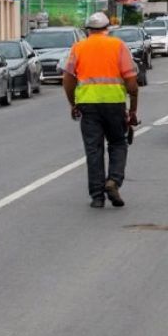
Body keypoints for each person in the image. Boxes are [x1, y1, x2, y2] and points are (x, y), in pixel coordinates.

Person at [62, 11, 139, 208]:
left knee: (93, 150)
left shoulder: (78, 47)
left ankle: (97, 197)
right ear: (108, 29)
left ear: (88, 30)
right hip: (114, 104)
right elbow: (131, 81)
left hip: (88, 105)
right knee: (118, 144)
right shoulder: (118, 46)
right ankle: (113, 181)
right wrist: (133, 109)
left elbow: (68, 80)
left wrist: (73, 104)